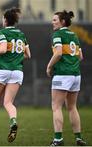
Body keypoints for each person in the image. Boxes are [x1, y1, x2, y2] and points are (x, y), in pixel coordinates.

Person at [0, 7, 31, 143]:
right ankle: (13, 121)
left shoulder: (2, 32)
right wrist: (15, 57)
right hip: (17, 71)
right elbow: (28, 55)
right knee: (8, 103)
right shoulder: (21, 34)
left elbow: (2, 49)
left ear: (6, 20)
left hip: (2, 70)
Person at [46, 10, 86, 146]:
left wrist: (49, 66)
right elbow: (80, 56)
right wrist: (71, 63)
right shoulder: (74, 35)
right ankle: (78, 138)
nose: (52, 22)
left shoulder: (58, 34)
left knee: (56, 107)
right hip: (76, 75)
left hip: (63, 74)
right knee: (72, 107)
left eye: (55, 20)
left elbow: (58, 53)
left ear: (62, 21)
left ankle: (58, 139)